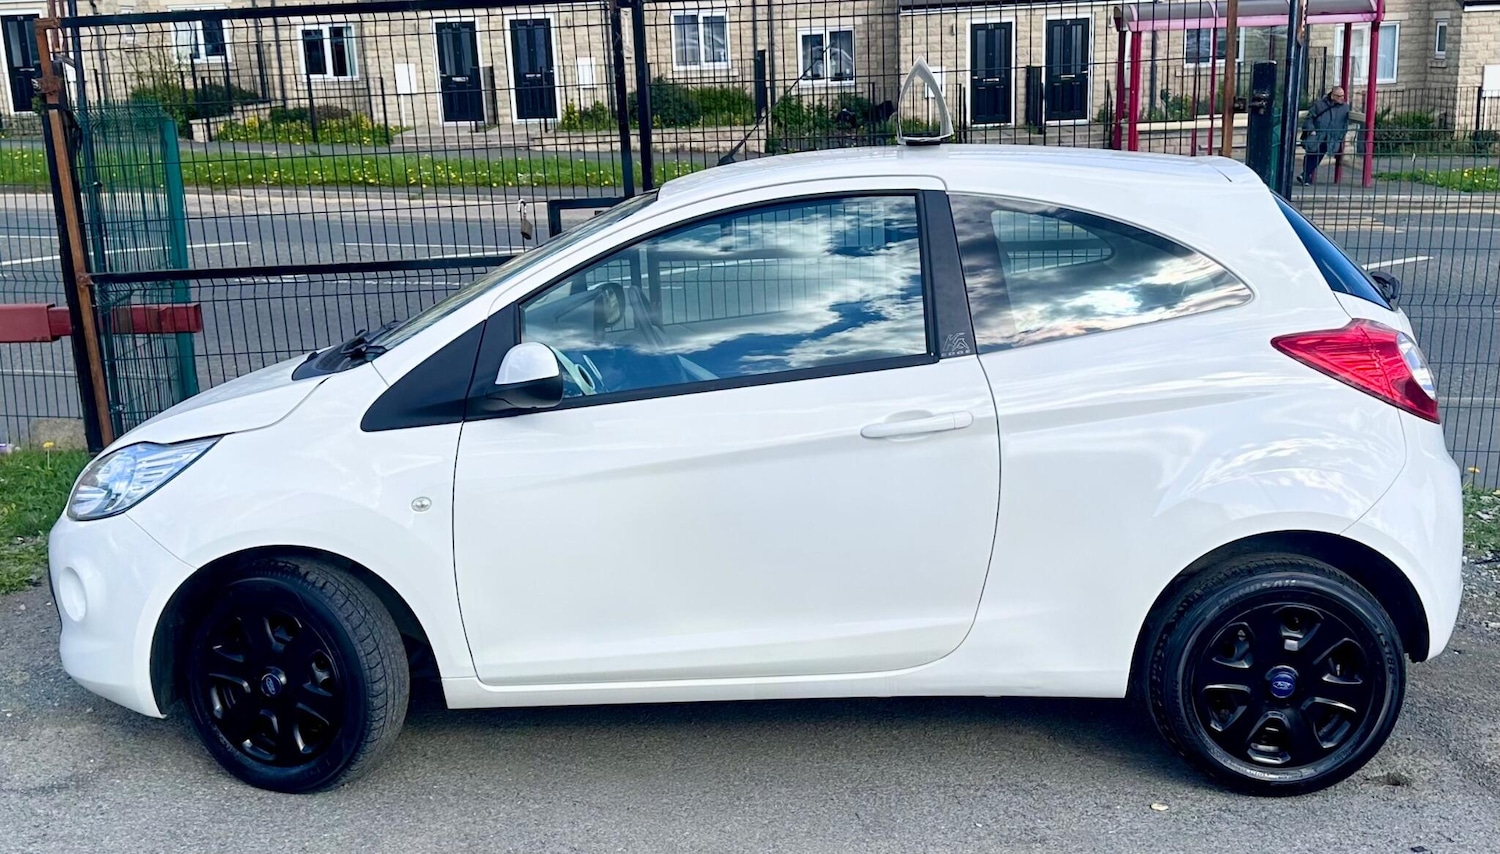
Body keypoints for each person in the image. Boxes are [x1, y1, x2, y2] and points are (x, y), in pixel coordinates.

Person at [1298, 87, 1351, 185]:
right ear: (1332, 96)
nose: (1342, 98)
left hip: (1331, 137)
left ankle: (1305, 176)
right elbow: (1309, 118)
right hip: (1317, 134)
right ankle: (1305, 176)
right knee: (1311, 154)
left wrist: (1340, 135)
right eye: (1339, 96)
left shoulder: (1345, 108)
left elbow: (1345, 124)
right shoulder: (1320, 105)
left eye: (1343, 96)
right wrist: (1311, 130)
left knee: (1318, 155)